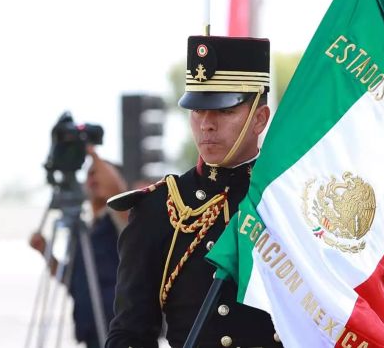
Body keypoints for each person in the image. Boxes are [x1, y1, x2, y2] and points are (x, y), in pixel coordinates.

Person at [105, 36, 282, 348]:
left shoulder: (289, 201)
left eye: (224, 111)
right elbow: (129, 334)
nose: (206, 125)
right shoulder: (160, 208)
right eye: (198, 110)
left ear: (260, 119)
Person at [29, 146, 128, 348]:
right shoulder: (84, 229)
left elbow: (116, 190)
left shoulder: (122, 221)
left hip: (120, 332)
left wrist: (91, 152)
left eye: (97, 173)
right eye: (89, 174)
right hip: (91, 331)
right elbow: (71, 279)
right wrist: (45, 252)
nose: (93, 180)